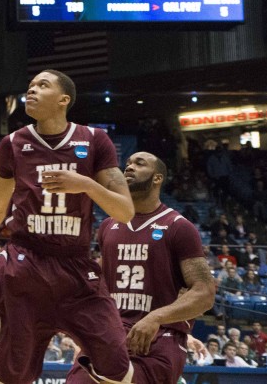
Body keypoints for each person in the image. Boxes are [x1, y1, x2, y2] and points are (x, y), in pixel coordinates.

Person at [0, 69, 135, 384]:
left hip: (76, 267)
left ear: (64, 100)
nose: (31, 91)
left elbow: (125, 211)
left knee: (116, 364)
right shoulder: (13, 144)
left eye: (42, 86)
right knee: (10, 374)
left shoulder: (94, 140)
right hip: (26, 263)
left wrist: (85, 184)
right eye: (30, 86)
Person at [64, 160, 217, 382]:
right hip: (111, 335)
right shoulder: (108, 226)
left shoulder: (178, 226)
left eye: (139, 163)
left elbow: (205, 293)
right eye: (127, 163)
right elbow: (100, 284)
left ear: (157, 178)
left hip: (159, 338)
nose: (129, 167)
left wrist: (156, 317)